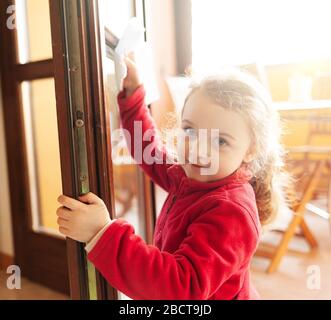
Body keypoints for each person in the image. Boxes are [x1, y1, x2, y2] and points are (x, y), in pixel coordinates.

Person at [56, 55, 288, 299]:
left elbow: (180, 288)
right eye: (190, 130)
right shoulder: (192, 175)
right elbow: (149, 151)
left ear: (251, 150)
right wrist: (134, 94)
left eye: (220, 141)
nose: (198, 149)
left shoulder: (232, 213)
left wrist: (102, 233)